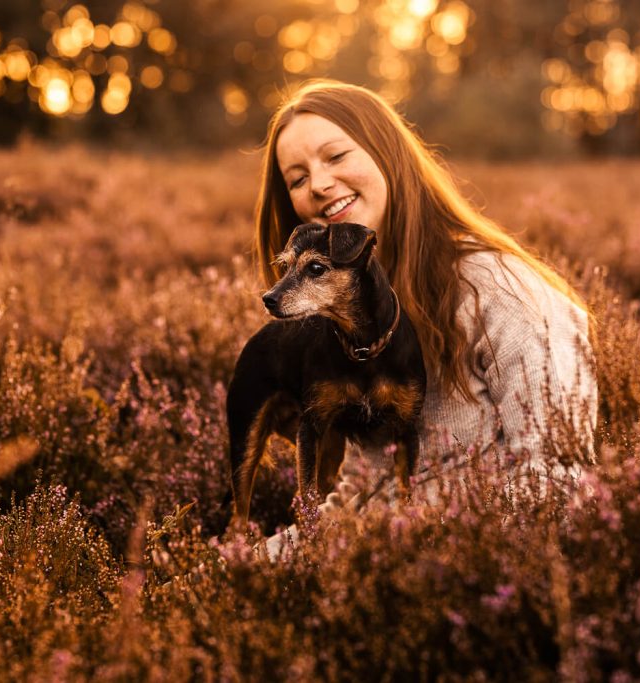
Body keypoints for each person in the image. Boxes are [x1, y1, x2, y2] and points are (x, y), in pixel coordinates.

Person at [252, 80, 597, 557]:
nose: (319, 184)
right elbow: (365, 500)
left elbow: (561, 479)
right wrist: (235, 571)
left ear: (388, 153)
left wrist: (419, 553)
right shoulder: (360, 326)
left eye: (335, 157)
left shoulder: (498, 290)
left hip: (475, 578)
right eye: (296, 178)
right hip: (382, 568)